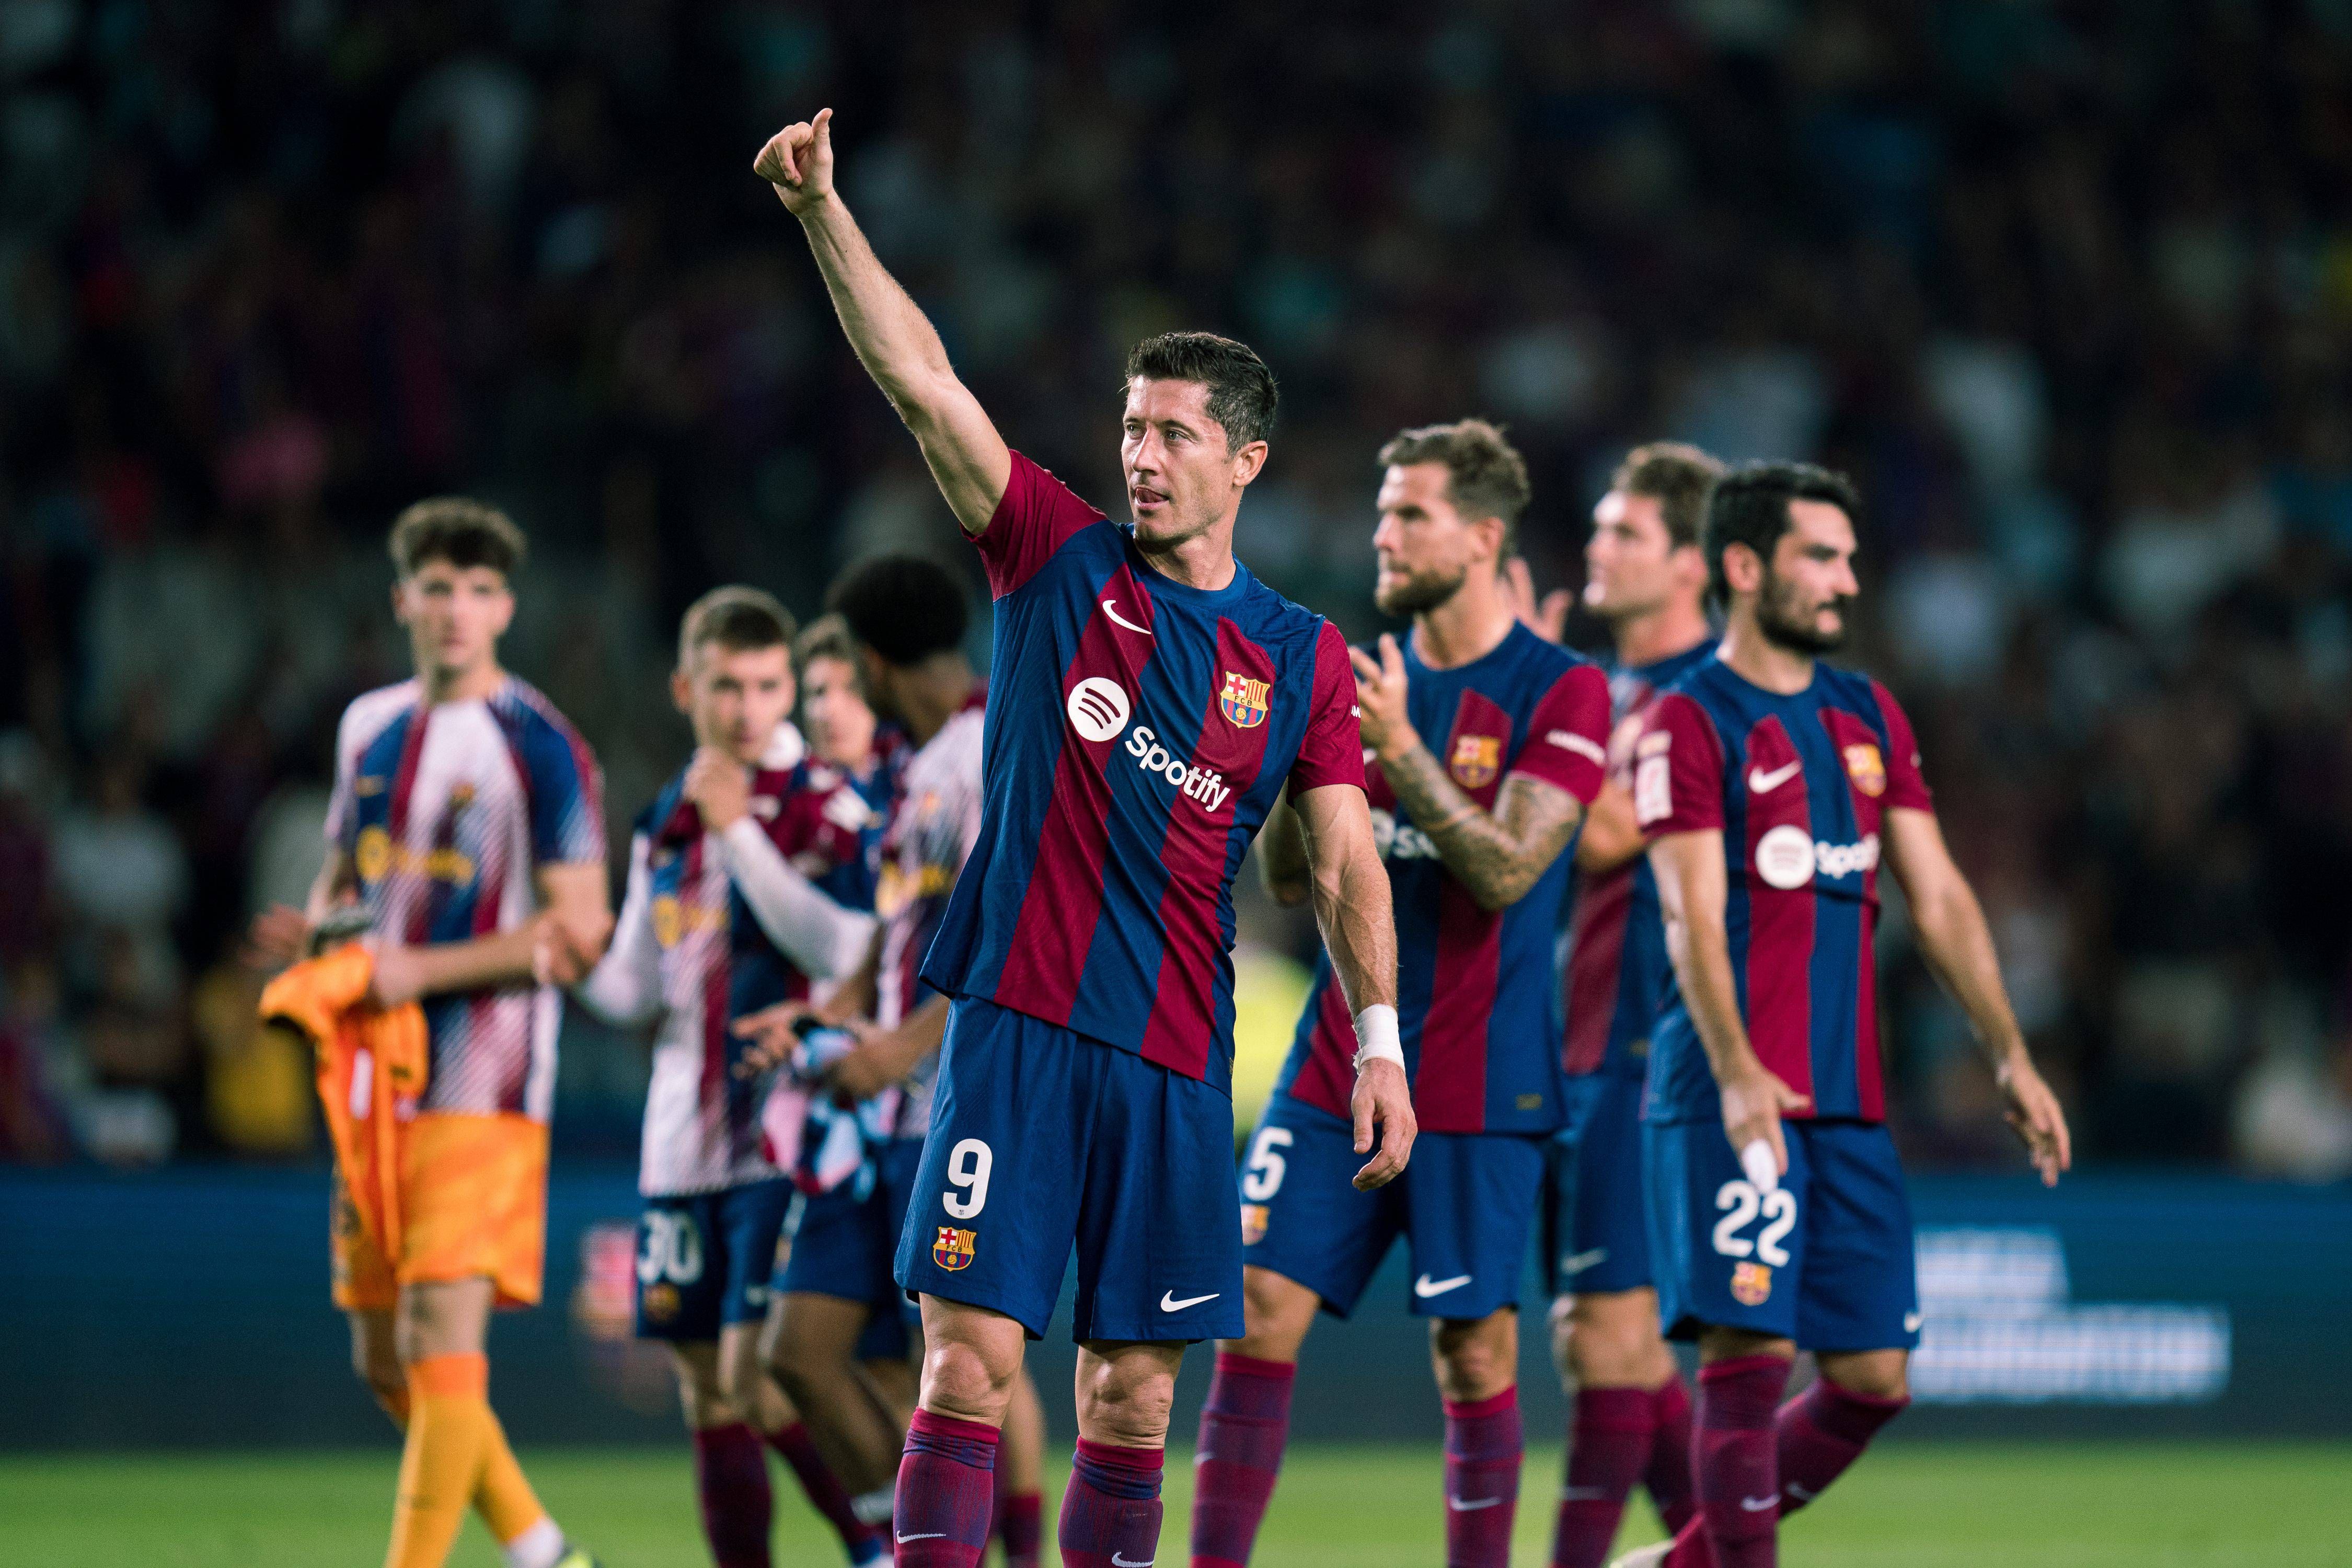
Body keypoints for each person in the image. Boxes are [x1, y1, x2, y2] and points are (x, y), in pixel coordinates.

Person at [754, 107, 1415, 1568]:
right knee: (966, 1365)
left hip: (1176, 1057)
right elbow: (924, 385)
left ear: (1244, 461)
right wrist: (821, 215)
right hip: (1017, 1033)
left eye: (1174, 434)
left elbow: (1350, 859)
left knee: (1128, 1399)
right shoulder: (1054, 561)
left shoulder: (1299, 657)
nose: (1142, 457)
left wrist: (1379, 1047)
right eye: (1130, 428)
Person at [1612, 464, 2071, 1568]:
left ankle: (1678, 1564)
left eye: (1850, 559)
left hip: (1847, 1104)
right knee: (1751, 1349)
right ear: (1743, 567)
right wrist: (1734, 1070)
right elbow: (1690, 914)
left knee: (1874, 1380)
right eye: (1822, 556)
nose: (1846, 581)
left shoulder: (1866, 716)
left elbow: (1943, 893)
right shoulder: (1689, 721)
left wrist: (2008, 1053)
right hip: (1730, 1093)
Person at [1187, 420, 1608, 1568]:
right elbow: (1284, 879)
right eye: (1382, 510)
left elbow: (1511, 867)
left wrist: (1402, 750)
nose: (1382, 532)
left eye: (1409, 513)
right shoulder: (1347, 675)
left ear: (1481, 537)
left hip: (1479, 1077)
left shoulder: (1563, 691)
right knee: (1255, 1317)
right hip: (1337, 1064)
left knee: (1472, 1354)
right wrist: (1289, 757)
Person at [253, 497, 610, 1568]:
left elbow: (581, 929)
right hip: (373, 1077)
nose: (456, 609)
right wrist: (320, 934)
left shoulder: (544, 747)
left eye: (479, 589)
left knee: (436, 1343)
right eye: (437, 587)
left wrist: (419, 968)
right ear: (402, 598)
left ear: (506, 605)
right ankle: (542, 1550)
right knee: (382, 1357)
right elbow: (348, 878)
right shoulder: (369, 726)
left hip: (486, 1074)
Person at [567, 587, 893, 1568]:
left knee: (761, 1380)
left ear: (788, 685)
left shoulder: (822, 802)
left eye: (765, 685)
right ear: (685, 689)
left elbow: (846, 942)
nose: (748, 707)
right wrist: (569, 953)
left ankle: (875, 1545)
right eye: (726, 686)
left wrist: (741, 833)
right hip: (681, 1139)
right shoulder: (666, 817)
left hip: (783, 1135)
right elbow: (634, 984)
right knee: (706, 1389)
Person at [746, 566, 1048, 1568]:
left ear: (872, 663)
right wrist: (825, 1018)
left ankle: (1000, 1552)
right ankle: (893, 1551)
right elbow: (892, 943)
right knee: (802, 1353)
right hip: (877, 1120)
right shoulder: (919, 768)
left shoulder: (987, 754)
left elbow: (1007, 935)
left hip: (958, 1111)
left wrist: (899, 1052)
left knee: (959, 1363)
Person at [1543, 443, 1723, 1567]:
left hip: (1647, 1055)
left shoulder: (1711, 694)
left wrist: (1509, 694)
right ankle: (1726, 1552)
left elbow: (1608, 831)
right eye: (1600, 527)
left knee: (1605, 1338)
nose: (1599, 546)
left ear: (1694, 565)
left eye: (1628, 534)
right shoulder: (1604, 693)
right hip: (1568, 1050)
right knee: (1611, 1349)